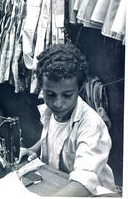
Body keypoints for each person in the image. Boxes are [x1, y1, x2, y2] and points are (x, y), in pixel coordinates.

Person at [16, 44, 116, 196]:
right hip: (61, 182)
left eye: (67, 95)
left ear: (80, 89)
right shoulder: (50, 112)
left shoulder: (91, 125)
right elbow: (51, 136)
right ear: (41, 88)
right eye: (50, 94)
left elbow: (84, 181)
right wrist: (33, 149)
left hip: (91, 192)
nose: (58, 103)